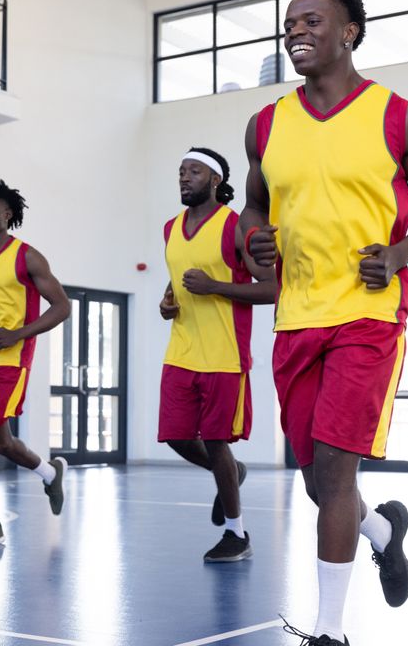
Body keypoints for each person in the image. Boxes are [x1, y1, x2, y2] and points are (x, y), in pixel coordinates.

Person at [239, 0, 408, 645]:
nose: (297, 30)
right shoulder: (266, 125)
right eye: (290, 23)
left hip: (368, 315)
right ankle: (382, 530)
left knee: (335, 472)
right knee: (314, 480)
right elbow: (253, 207)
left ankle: (329, 631)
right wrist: (254, 242)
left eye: (312, 20)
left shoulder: (402, 118)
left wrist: (396, 255)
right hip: (297, 316)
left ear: (349, 32)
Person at [158, 147, 275, 563]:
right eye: (181, 171)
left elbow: (274, 288)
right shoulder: (170, 229)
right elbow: (173, 287)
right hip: (181, 352)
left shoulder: (235, 226)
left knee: (216, 441)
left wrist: (217, 287)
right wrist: (165, 304)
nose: (184, 177)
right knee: (174, 436)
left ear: (215, 180)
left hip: (224, 356)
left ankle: (236, 533)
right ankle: (231, 474)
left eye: (194, 171)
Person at [0, 180, 72, 548]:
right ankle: (49, 472)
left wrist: (17, 334)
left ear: (8, 214)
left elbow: (62, 307)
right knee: (1, 441)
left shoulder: (28, 256)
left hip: (13, 359)